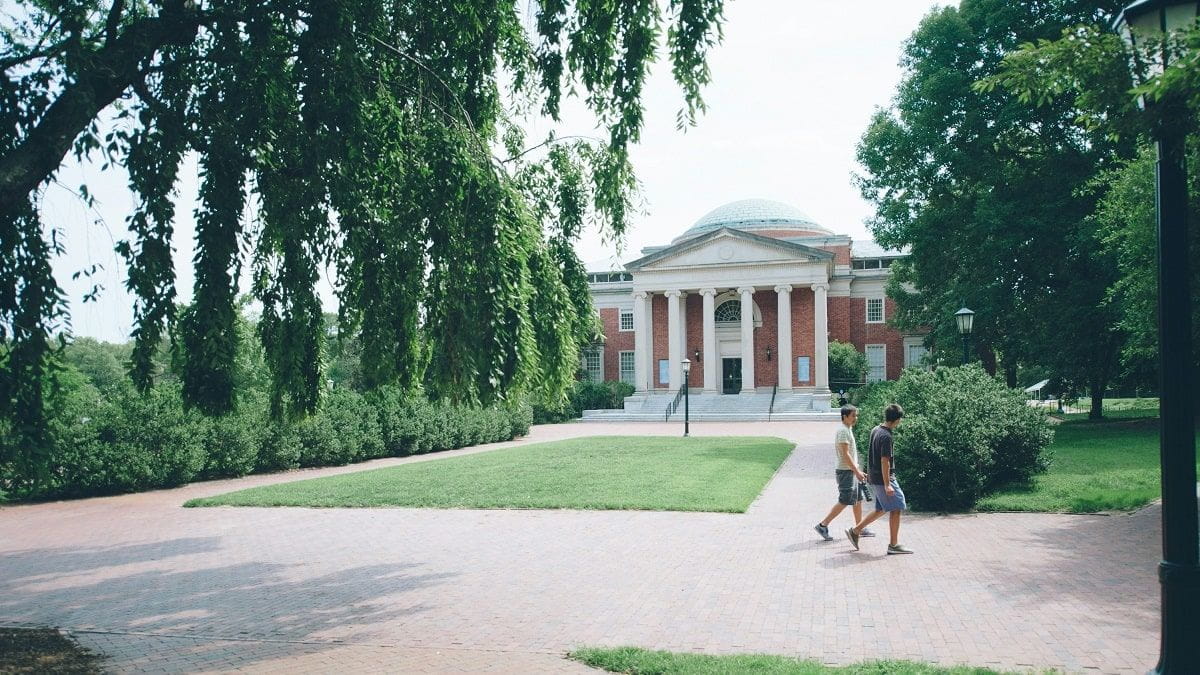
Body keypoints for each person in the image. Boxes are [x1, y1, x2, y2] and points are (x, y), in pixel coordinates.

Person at [846, 403, 913, 555]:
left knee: (881, 508)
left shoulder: (876, 429)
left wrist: (869, 474)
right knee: (897, 507)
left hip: (876, 477)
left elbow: (871, 455)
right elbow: (884, 461)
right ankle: (893, 545)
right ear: (896, 420)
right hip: (884, 479)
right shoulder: (886, 436)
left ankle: (855, 531)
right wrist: (888, 484)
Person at [813, 404, 874, 541]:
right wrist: (857, 471)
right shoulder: (843, 431)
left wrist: (857, 470)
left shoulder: (848, 429)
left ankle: (859, 527)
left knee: (858, 500)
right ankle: (823, 525)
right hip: (846, 472)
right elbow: (845, 454)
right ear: (844, 416)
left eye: (856, 415)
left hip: (851, 471)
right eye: (853, 415)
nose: (855, 418)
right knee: (845, 500)